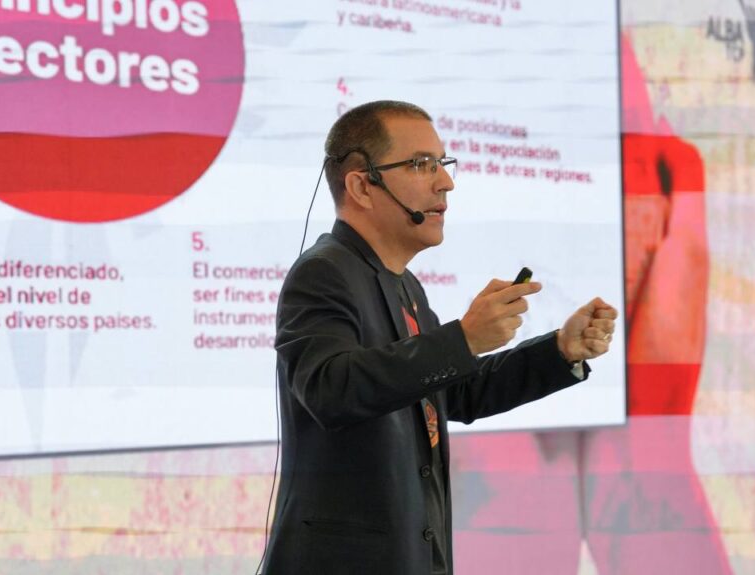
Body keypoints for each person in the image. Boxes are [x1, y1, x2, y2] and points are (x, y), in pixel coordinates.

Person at [261, 100, 617, 575]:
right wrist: (463, 339)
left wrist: (558, 352)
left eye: (442, 163)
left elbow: (453, 393)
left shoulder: (405, 284)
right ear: (362, 186)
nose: (446, 181)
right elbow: (330, 389)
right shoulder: (323, 273)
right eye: (420, 164)